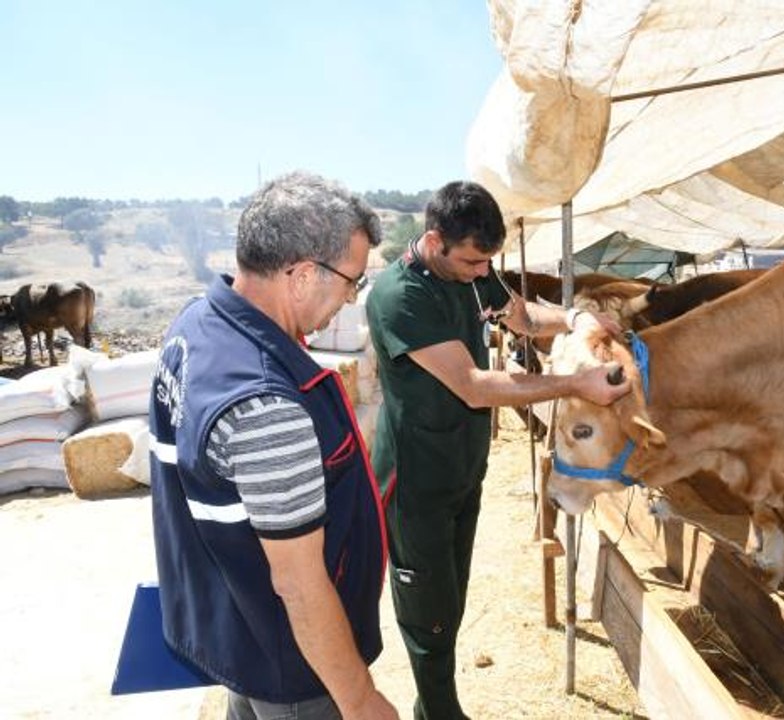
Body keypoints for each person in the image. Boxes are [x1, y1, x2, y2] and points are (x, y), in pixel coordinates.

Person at [365, 180, 630, 720]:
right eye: (471, 260)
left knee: (453, 594)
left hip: (462, 466)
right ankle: (439, 711)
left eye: (488, 261)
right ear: (435, 241)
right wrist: (576, 383)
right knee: (428, 611)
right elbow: (474, 385)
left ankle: (434, 704)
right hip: (416, 478)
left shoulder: (472, 278)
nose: (483, 272)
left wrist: (577, 317)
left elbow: (525, 318)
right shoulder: (400, 297)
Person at [149, 171, 398, 720]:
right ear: (305, 274)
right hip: (297, 670)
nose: (352, 299)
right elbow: (300, 584)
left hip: (241, 630)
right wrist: (358, 698)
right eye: (352, 281)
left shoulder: (197, 324)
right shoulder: (266, 406)